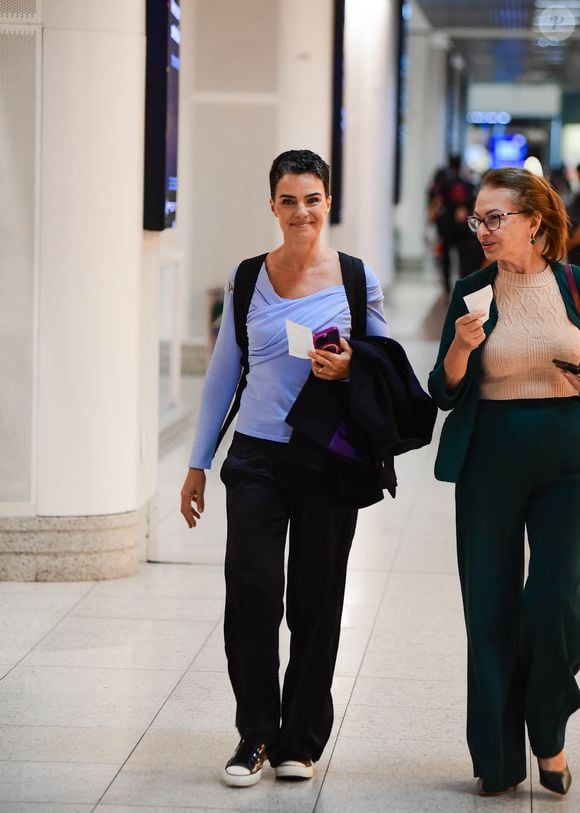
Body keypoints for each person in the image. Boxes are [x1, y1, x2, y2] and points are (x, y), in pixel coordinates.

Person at [180, 150, 390, 787]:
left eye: (313, 199)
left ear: (329, 203)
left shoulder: (357, 279)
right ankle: (255, 735)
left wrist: (351, 365)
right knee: (251, 594)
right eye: (289, 200)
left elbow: (385, 365)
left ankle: (299, 739)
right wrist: (197, 462)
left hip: (329, 458)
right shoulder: (247, 278)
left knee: (316, 602)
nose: (302, 212)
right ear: (272, 205)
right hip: (256, 456)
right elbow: (223, 374)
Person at [429, 167, 580, 797]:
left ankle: (548, 727)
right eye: (478, 219)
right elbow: (442, 390)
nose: (483, 230)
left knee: (558, 602)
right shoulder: (472, 290)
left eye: (496, 218)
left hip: (569, 461)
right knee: (489, 606)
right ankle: (496, 757)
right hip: (490, 458)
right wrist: (461, 350)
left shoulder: (575, 285)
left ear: (533, 222)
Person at [435, 155, 484, 294]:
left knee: (446, 258)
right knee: (464, 257)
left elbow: (438, 203)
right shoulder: (467, 184)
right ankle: (463, 285)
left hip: (447, 226)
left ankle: (447, 287)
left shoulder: (444, 184)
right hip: (463, 227)